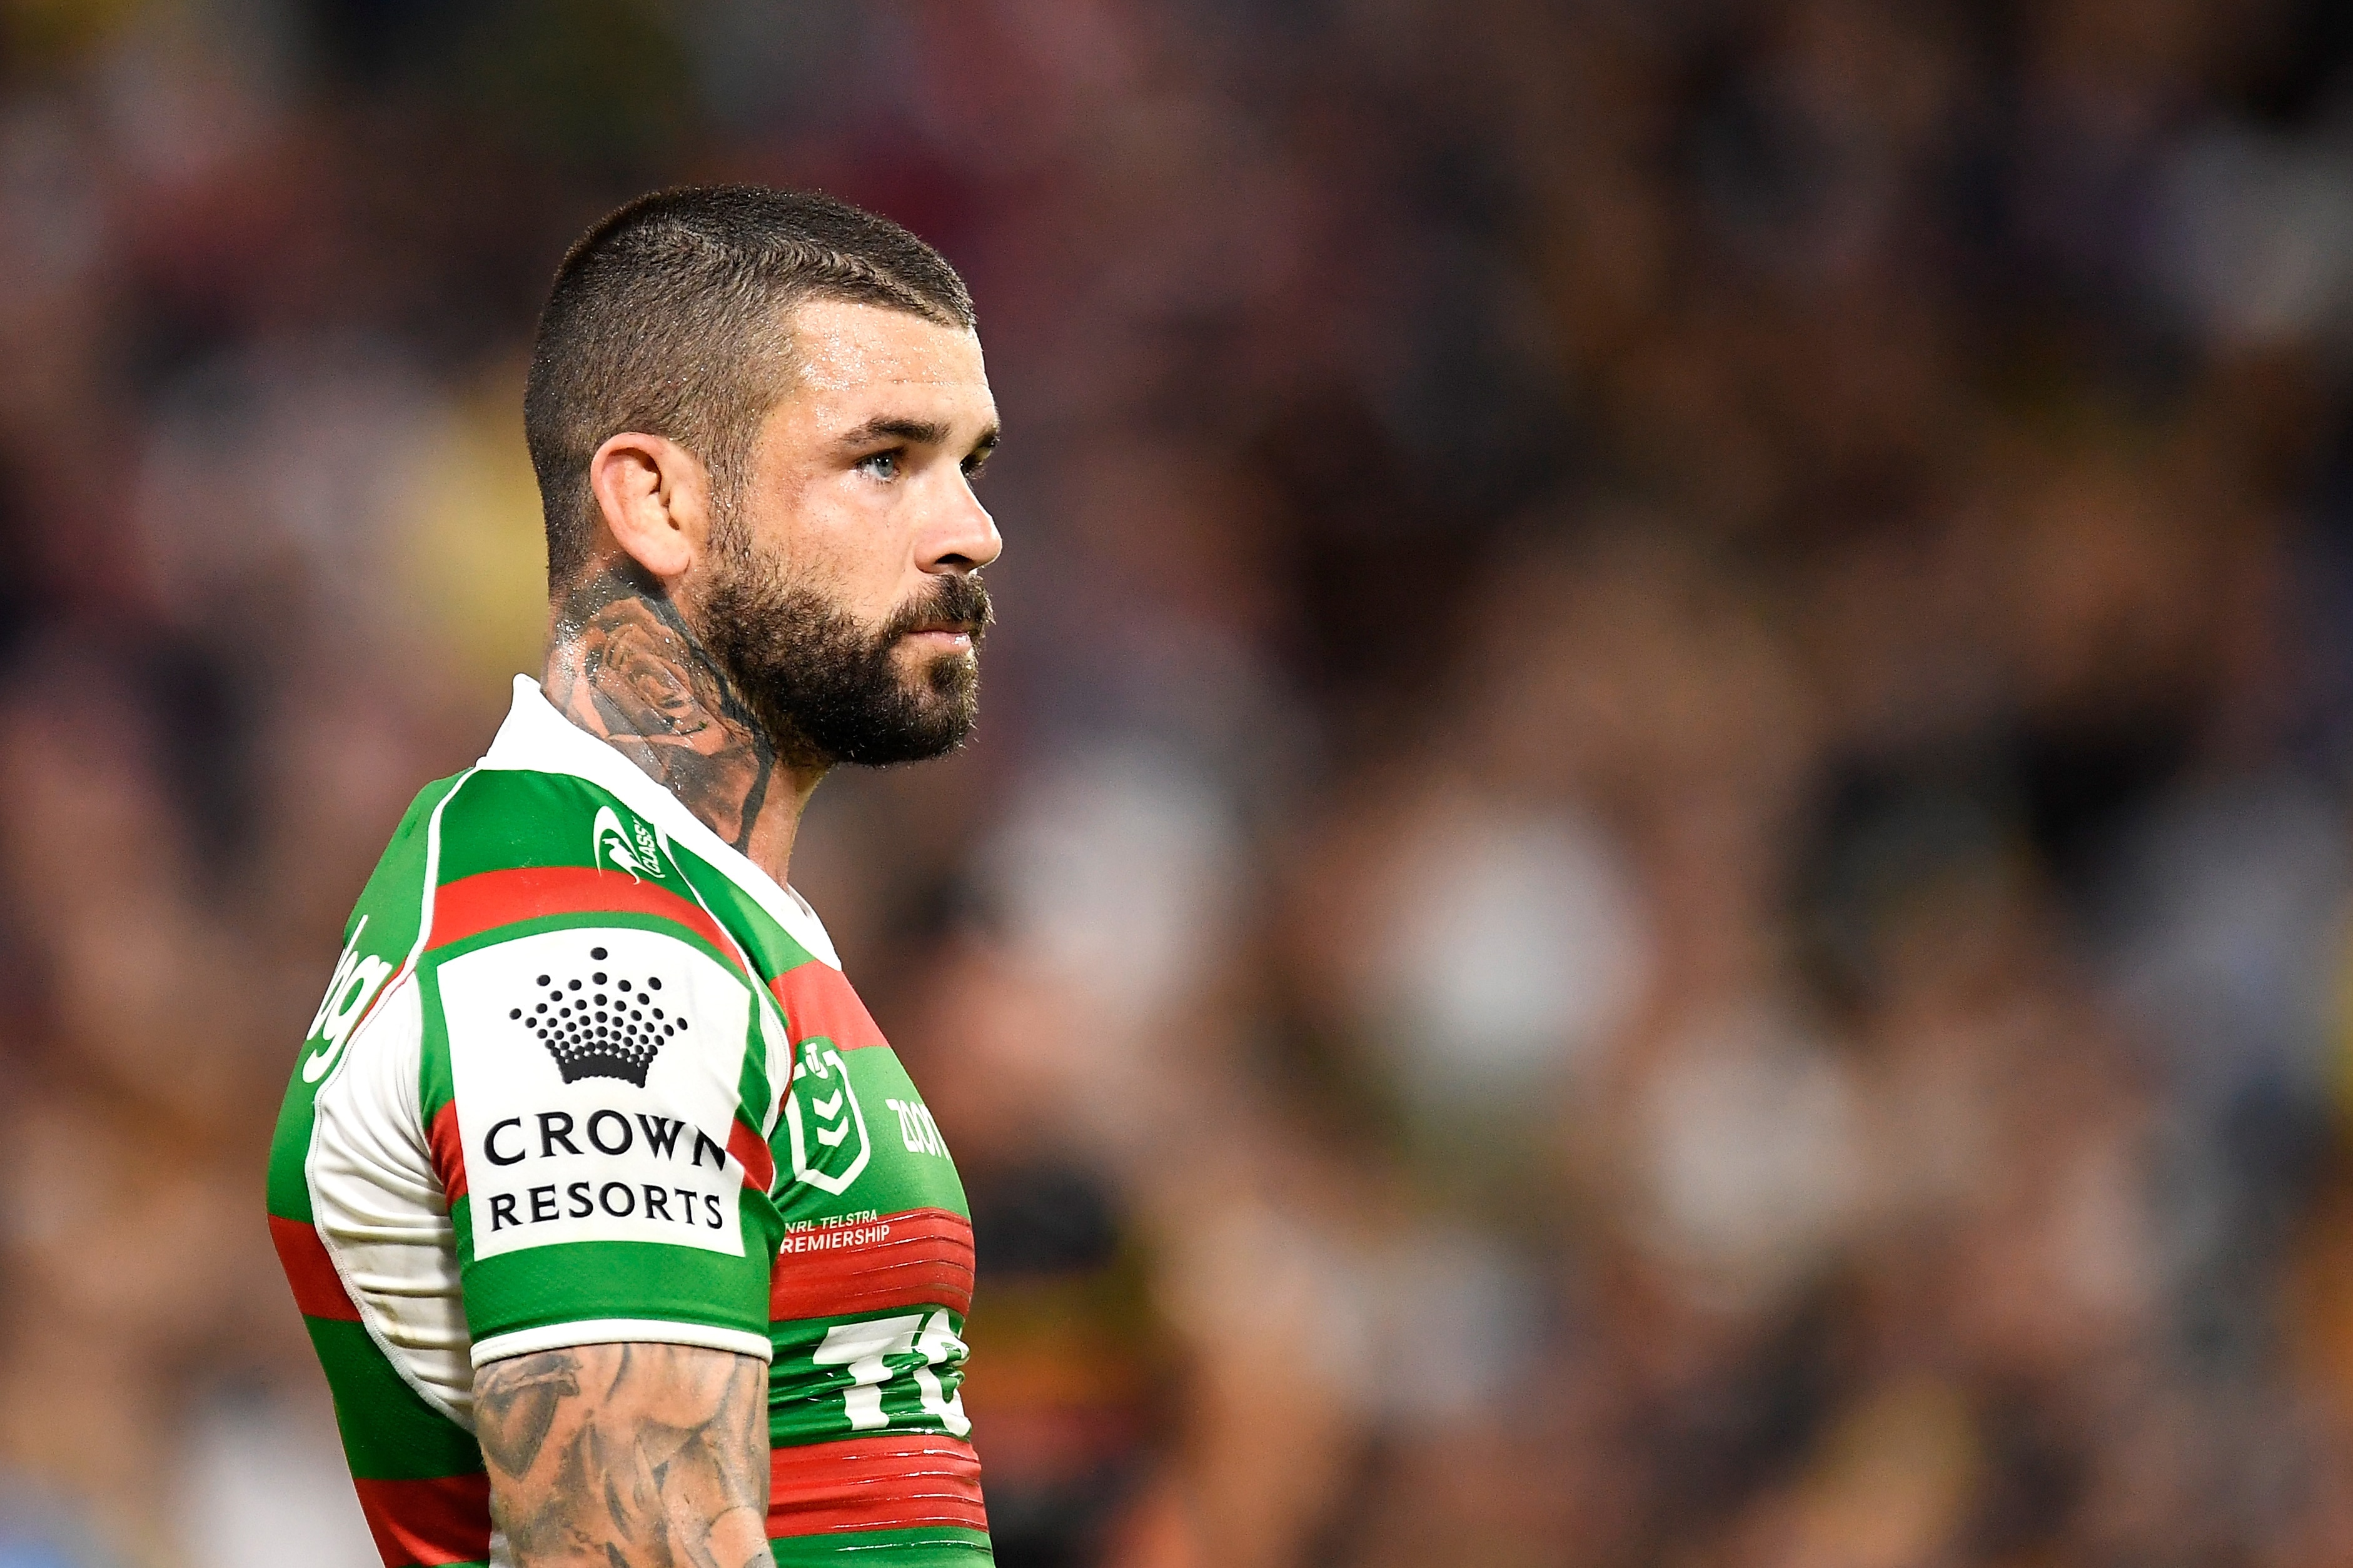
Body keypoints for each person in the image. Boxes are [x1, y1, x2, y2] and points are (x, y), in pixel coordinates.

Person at [265, 185, 1004, 1568]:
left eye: (972, 462)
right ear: (656, 501)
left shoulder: (689, 907)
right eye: (885, 460)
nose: (971, 530)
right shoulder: (585, 945)